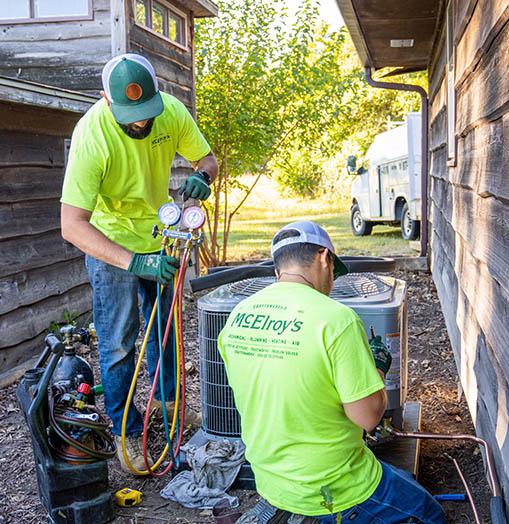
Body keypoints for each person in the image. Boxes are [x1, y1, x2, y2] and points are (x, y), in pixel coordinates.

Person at [218, 221, 445, 523]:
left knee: (400, 477)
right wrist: (376, 366)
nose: (332, 283)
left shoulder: (238, 315)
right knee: (431, 515)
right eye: (334, 273)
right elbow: (367, 418)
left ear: (278, 270)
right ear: (324, 258)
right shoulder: (337, 320)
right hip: (333, 487)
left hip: (271, 480)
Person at [60, 53, 218, 474]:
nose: (140, 123)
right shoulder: (91, 136)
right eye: (131, 116)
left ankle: (169, 414)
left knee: (165, 336)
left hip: (162, 238)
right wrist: (134, 263)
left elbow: (208, 159)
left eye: (146, 113)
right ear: (106, 102)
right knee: (117, 345)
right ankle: (125, 429)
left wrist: (204, 175)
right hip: (112, 247)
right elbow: (72, 226)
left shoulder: (171, 112)